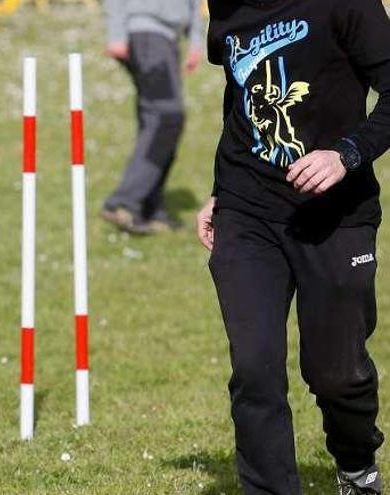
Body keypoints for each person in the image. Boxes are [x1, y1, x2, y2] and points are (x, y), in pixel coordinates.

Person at [197, 0, 390, 493]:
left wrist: (347, 154)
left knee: (336, 374)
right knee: (254, 371)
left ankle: (355, 463)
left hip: (336, 215)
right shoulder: (225, 7)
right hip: (247, 211)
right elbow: (239, 95)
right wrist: (219, 193)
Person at [102, 0, 205, 234]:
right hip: (147, 35)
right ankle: (124, 202)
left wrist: (197, 41)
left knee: (157, 120)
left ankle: (150, 209)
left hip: (166, 39)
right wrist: (115, 34)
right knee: (167, 119)